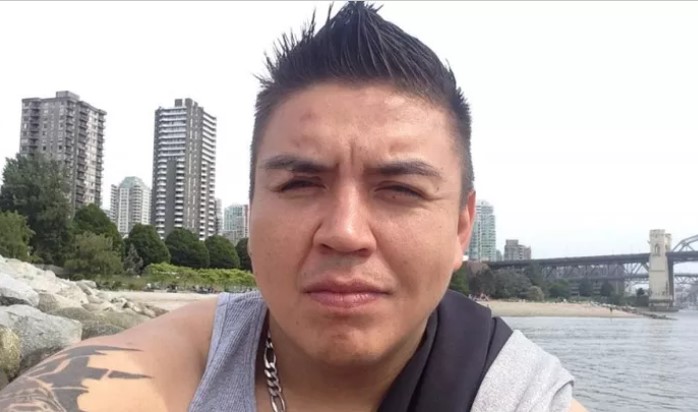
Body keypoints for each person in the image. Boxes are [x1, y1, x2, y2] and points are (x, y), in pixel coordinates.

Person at [0, 3, 587, 411]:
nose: (345, 233)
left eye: (401, 189)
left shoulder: (515, 394)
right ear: (251, 207)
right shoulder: (183, 361)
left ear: (463, 226)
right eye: (302, 184)